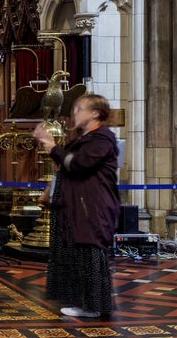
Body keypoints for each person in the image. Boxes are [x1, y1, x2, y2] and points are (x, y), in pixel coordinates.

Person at [33, 94, 120, 319]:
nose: (75, 113)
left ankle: (91, 306)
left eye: (80, 109)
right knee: (80, 254)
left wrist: (52, 147)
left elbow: (79, 163)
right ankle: (86, 303)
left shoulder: (102, 138)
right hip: (79, 206)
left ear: (95, 113)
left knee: (89, 254)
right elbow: (66, 162)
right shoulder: (83, 137)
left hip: (93, 207)